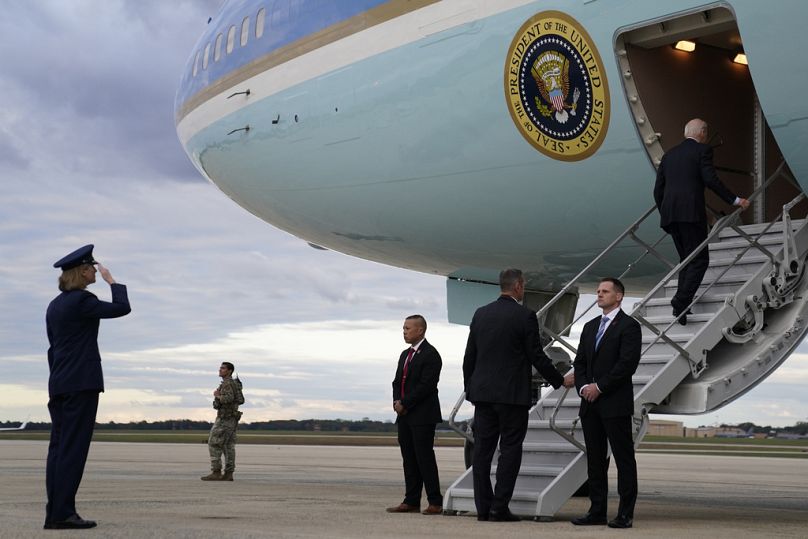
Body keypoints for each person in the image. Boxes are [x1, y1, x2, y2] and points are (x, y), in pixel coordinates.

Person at [463, 268, 574, 522]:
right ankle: (499, 508)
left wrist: (471, 389)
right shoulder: (525, 316)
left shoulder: (481, 314)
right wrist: (559, 380)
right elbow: (536, 355)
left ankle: (483, 508)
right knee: (510, 451)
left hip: (483, 395)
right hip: (512, 396)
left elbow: (469, 357)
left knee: (482, 453)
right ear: (518, 287)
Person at [45, 244, 131, 530]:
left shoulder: (55, 305)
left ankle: (55, 511)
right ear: (82, 271)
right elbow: (121, 308)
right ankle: (63, 514)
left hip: (59, 384)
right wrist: (113, 282)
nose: (96, 270)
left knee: (58, 449)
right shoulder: (82, 301)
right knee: (73, 450)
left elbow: (52, 348)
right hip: (81, 383)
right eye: (92, 267)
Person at [653, 118, 750, 324]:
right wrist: (734, 199)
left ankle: (681, 307)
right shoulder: (703, 151)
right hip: (691, 214)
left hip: (671, 216)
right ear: (703, 133)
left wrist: (666, 211)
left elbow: (658, 190)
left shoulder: (669, 155)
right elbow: (710, 179)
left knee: (686, 260)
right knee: (699, 260)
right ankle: (681, 301)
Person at [571, 277, 642, 529]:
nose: (599, 294)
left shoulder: (629, 326)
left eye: (605, 291)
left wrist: (599, 387)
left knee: (623, 459)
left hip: (614, 403)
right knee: (595, 459)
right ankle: (597, 511)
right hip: (590, 404)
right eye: (598, 291)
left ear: (619, 296)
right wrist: (582, 387)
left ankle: (625, 513)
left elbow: (627, 365)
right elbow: (579, 363)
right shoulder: (590, 327)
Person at [386, 315, 444, 515]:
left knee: (424, 458)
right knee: (408, 458)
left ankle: (435, 501)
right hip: (404, 415)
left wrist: (405, 403)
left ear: (420, 330)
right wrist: (396, 402)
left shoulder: (431, 355)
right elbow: (396, 382)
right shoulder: (405, 354)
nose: (404, 331)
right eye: (403, 328)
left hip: (422, 415)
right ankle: (411, 500)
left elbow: (426, 386)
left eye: (408, 328)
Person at [201, 362, 243, 481]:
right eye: (220, 368)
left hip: (225, 418)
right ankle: (229, 473)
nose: (220, 370)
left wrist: (218, 396)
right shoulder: (234, 383)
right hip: (232, 419)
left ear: (229, 371)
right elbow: (240, 400)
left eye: (223, 368)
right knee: (228, 446)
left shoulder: (228, 384)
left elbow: (228, 399)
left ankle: (216, 471)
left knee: (214, 443)